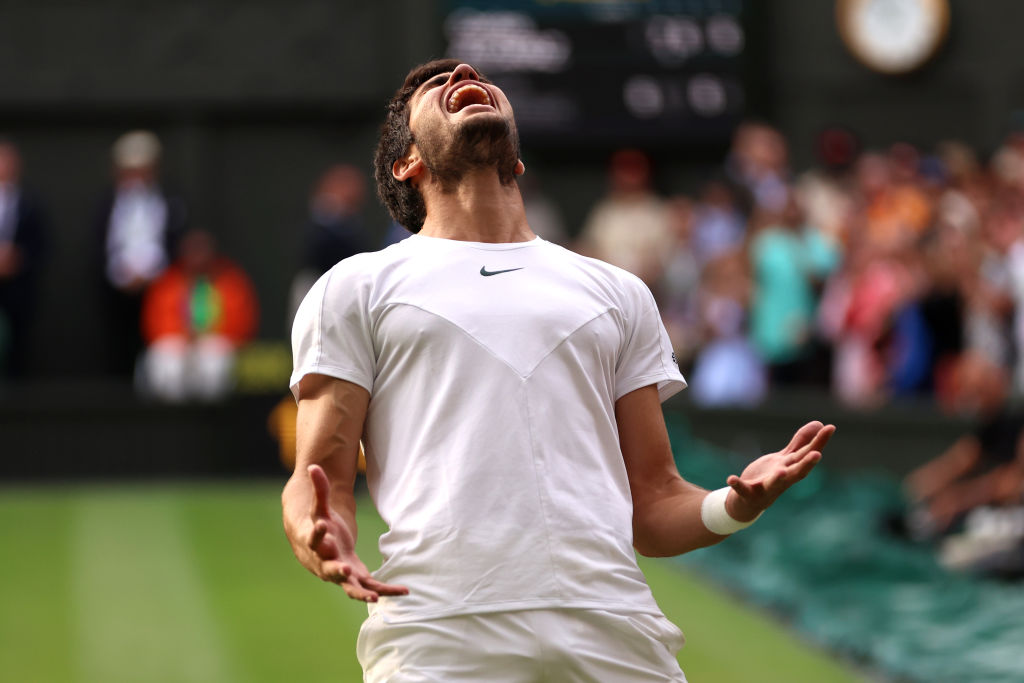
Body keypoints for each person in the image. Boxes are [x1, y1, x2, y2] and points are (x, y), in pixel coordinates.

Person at [282, 59, 835, 682]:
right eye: (432, 86)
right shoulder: (355, 288)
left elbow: (653, 503)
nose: (462, 71)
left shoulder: (618, 292)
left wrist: (732, 506)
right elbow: (319, 476)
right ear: (407, 163)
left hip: (614, 629)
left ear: (516, 161)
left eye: (468, 76)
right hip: (439, 635)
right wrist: (318, 532)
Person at [95, 130, 187, 377]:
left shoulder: (170, 200)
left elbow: (173, 242)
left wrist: (151, 273)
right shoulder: (107, 202)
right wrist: (123, 274)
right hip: (117, 289)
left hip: (160, 287)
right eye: (130, 171)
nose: (137, 178)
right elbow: (103, 245)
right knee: (120, 342)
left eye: (143, 170)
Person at [139, 229, 258, 402]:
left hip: (214, 343)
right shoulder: (167, 282)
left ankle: (210, 420)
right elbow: (154, 324)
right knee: (168, 362)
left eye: (202, 250)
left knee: (214, 362)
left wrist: (206, 336)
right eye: (193, 251)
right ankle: (175, 418)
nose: (198, 256)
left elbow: (242, 323)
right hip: (178, 343)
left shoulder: (231, 281)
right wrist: (184, 336)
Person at [0, 140, 47, 379]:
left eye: (8, 161)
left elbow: (41, 245)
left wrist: (17, 259)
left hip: (18, 288)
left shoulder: (31, 204)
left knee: (18, 343)